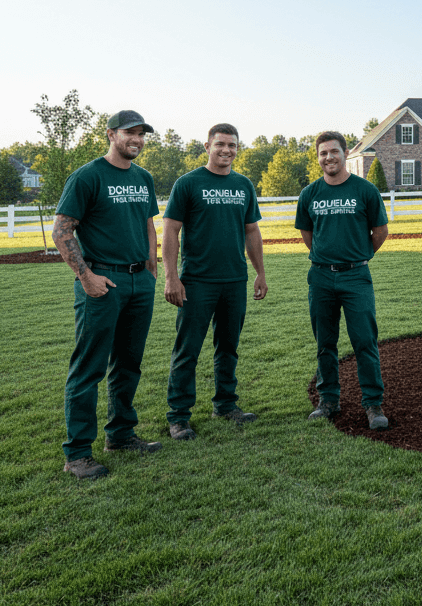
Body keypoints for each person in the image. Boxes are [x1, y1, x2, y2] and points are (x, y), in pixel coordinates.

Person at [53, 109, 162, 480]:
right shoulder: (87, 176)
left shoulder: (143, 178)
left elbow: (148, 223)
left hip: (138, 282)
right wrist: (85, 276)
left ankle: (120, 434)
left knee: (129, 363)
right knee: (89, 367)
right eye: (130, 132)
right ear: (111, 134)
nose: (137, 139)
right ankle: (78, 453)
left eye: (142, 134)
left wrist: (152, 266)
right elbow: (62, 230)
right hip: (103, 283)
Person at [161, 124, 267, 440]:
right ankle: (178, 417)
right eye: (220, 144)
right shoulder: (188, 183)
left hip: (234, 280)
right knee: (187, 350)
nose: (226, 150)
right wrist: (171, 277)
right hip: (196, 282)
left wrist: (260, 272)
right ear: (207, 146)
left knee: (228, 347)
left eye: (232, 145)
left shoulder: (243, 185)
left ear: (237, 148)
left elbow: (251, 231)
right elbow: (170, 230)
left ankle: (225, 404)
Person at [295, 131, 390, 429]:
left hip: (356, 276)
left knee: (364, 341)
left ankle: (373, 404)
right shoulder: (310, 194)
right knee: (325, 342)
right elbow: (308, 235)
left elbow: (380, 231)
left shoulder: (365, 190)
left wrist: (357, 256)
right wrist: (328, 258)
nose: (328, 158)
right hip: (321, 277)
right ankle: (329, 400)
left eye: (333, 151)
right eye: (323, 153)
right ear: (318, 157)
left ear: (345, 153)